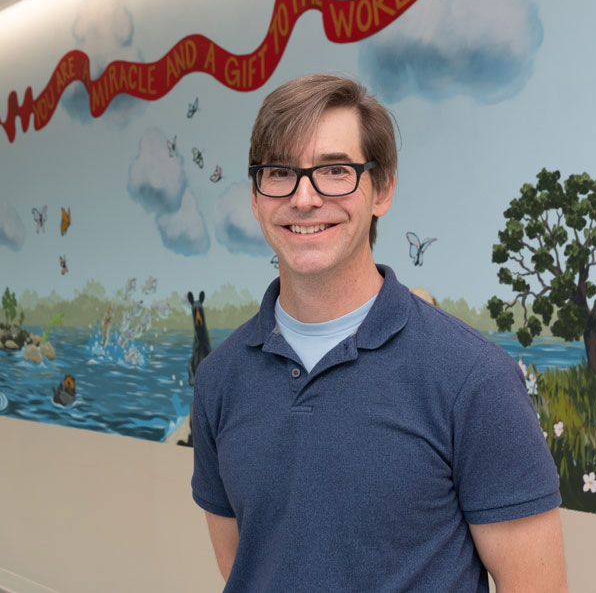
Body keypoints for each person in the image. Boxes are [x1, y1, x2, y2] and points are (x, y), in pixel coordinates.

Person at [190, 74, 567, 592]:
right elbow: (246, 566)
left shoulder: (473, 378)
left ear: (382, 189)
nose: (304, 198)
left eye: (335, 171)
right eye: (280, 173)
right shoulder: (219, 380)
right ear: (256, 197)